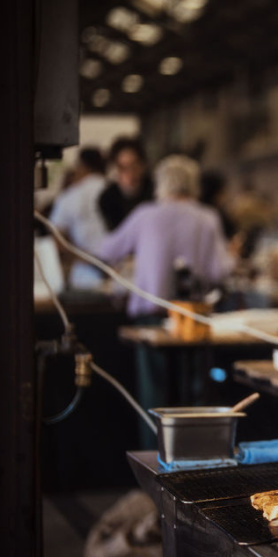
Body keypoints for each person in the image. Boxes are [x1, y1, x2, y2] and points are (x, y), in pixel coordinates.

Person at [99, 155, 234, 447]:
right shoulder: (207, 216)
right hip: (192, 319)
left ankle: (154, 465)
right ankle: (197, 466)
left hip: (151, 318)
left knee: (154, 396)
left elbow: (107, 250)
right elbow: (220, 270)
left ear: (162, 183)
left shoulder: (145, 214)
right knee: (195, 395)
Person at [48, 147, 109, 289]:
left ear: (82, 166)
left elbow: (58, 243)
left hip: (84, 277)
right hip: (121, 276)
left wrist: (91, 262)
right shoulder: (116, 190)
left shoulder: (70, 196)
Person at [98, 137, 154, 232]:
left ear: (143, 166)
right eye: (122, 168)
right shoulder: (107, 198)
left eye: (134, 166)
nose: (129, 173)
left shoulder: (155, 191)